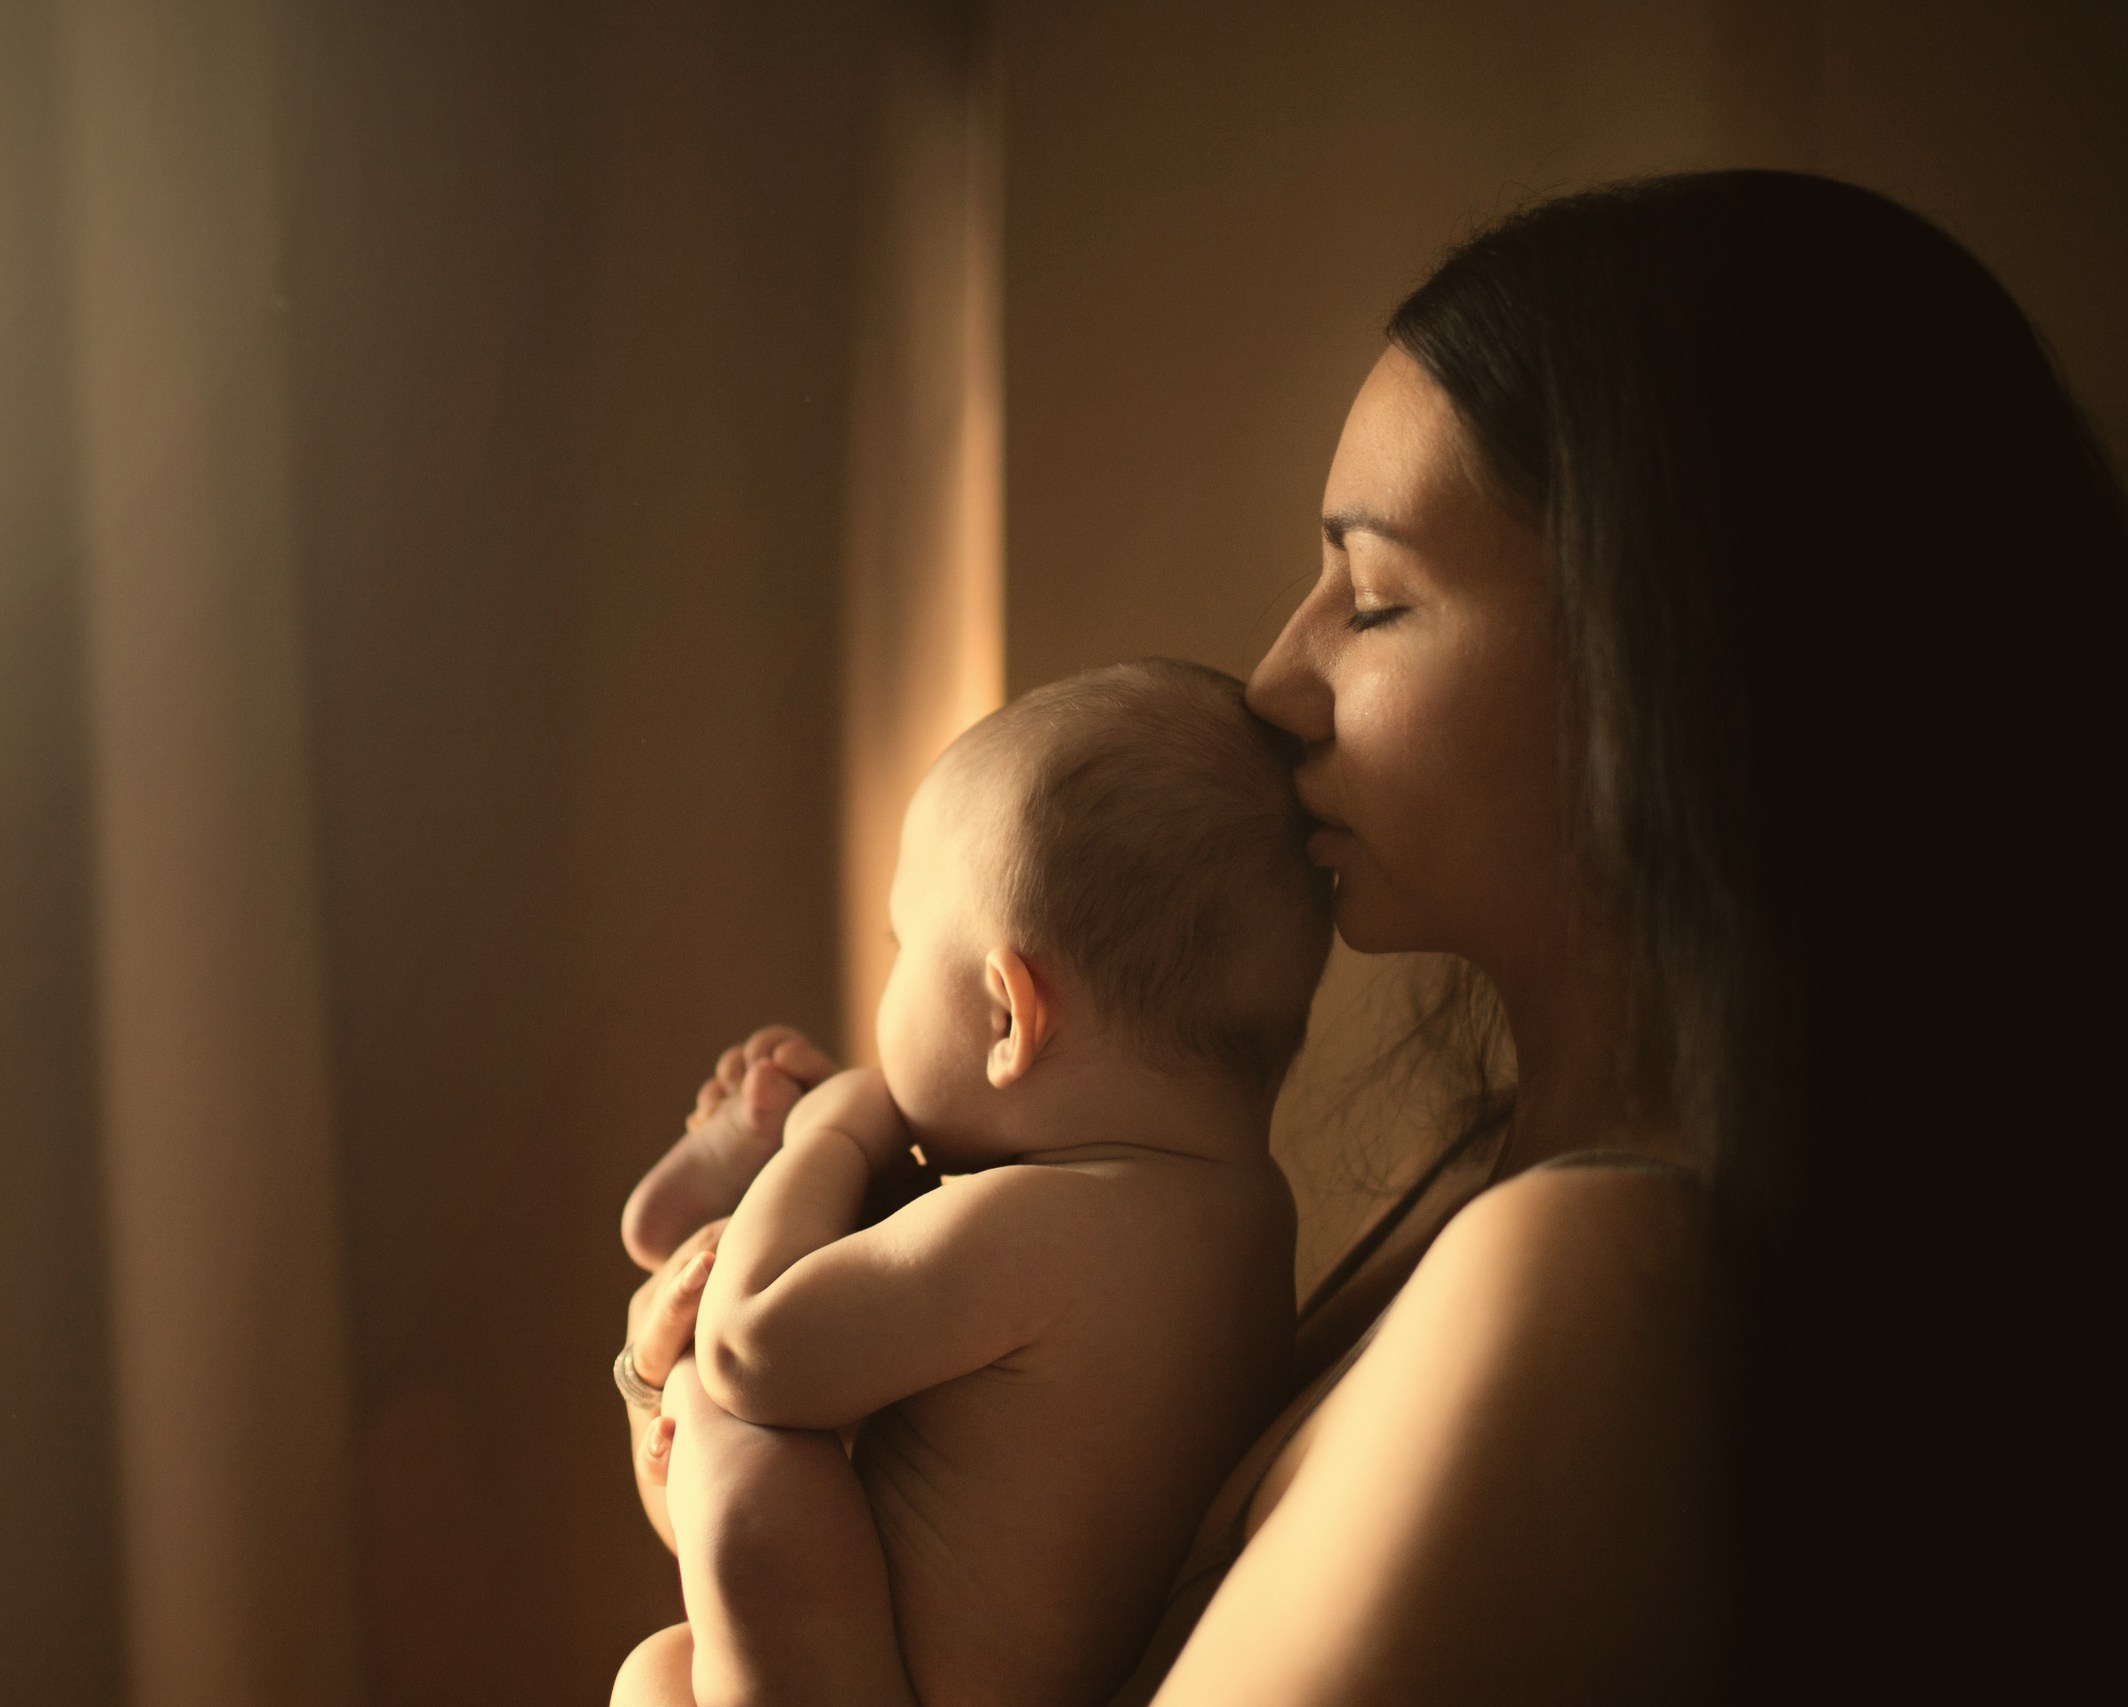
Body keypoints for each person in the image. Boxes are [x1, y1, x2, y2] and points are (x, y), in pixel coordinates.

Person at [616, 170, 2124, 1702]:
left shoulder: (1581, 1272)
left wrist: (749, 1464)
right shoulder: (1486, 1202)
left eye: (1377, 596)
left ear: (1662, 667)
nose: (1277, 679)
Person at [614, 660, 1333, 1707]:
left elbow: (752, 1349)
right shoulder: (1247, 1217)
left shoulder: (1043, 1225)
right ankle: (707, 1230)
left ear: (1007, 1017)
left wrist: (834, 1130)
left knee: (740, 1439)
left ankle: (716, 1223)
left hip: (875, 1691)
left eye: (904, 945)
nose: (890, 975)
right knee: (657, 1674)